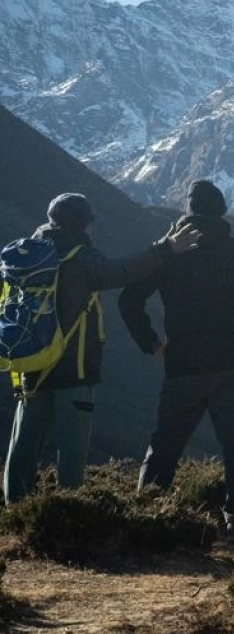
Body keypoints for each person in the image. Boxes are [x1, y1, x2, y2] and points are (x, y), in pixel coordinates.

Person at [3, 193, 199, 504]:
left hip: (32, 361)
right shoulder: (81, 258)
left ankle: (15, 508)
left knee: (25, 440)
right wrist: (166, 248)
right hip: (74, 367)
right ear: (82, 224)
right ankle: (74, 513)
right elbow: (123, 272)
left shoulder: (31, 253)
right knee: (72, 448)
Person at [117, 180, 234, 541]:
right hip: (230, 362)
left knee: (165, 445)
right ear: (221, 211)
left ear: (187, 214)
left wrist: (152, 344)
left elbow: (128, 301)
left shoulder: (169, 255)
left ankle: (145, 519)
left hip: (182, 364)